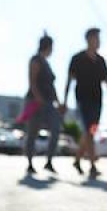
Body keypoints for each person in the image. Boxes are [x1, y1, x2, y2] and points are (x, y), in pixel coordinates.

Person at [63, 27, 107, 179]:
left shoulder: (100, 61)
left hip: (97, 102)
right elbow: (69, 80)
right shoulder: (77, 58)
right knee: (88, 131)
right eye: (96, 38)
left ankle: (77, 160)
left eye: (99, 39)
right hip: (82, 101)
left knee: (91, 132)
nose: (98, 42)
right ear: (88, 39)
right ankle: (93, 166)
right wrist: (64, 100)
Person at [24, 32, 65, 175]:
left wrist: (58, 103)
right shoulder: (35, 60)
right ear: (48, 46)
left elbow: (52, 86)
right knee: (33, 132)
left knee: (56, 129)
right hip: (35, 102)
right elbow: (32, 82)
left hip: (49, 103)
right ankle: (30, 163)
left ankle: (49, 161)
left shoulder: (47, 63)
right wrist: (38, 98)